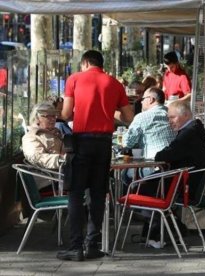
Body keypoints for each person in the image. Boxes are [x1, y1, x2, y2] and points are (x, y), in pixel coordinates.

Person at [58, 50, 134, 262]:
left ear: (84, 63)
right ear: (101, 64)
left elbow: (65, 114)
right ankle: (93, 244)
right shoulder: (114, 83)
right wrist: (108, 111)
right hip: (104, 143)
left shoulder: (74, 79)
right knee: (98, 194)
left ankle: (75, 247)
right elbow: (128, 117)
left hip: (81, 141)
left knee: (75, 193)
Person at [155, 100, 205, 203]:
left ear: (185, 115)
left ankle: (151, 218)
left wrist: (161, 156)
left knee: (141, 184)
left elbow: (163, 156)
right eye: (168, 118)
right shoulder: (195, 130)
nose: (169, 121)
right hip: (190, 184)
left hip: (184, 188)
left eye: (172, 117)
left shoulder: (188, 134)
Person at [123, 87, 175, 177]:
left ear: (151, 100)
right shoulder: (173, 115)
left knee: (124, 174)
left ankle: (133, 191)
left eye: (143, 99)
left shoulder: (142, 117)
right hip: (175, 170)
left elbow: (127, 143)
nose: (141, 102)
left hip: (154, 169)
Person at [22, 102, 65, 189]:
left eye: (54, 116)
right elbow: (37, 158)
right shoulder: (31, 136)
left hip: (61, 174)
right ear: (37, 118)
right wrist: (62, 159)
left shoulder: (55, 132)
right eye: (48, 116)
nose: (53, 119)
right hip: (49, 180)